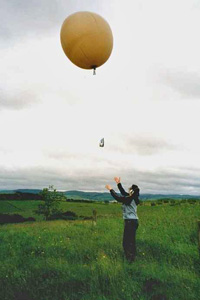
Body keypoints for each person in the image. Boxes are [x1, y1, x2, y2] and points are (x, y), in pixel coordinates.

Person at [105, 177, 140, 262]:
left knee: (126, 242)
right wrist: (118, 183)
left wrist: (110, 189)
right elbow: (123, 193)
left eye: (129, 190)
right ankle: (132, 258)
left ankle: (130, 260)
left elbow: (118, 198)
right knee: (131, 241)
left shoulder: (129, 199)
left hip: (130, 222)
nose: (128, 191)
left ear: (131, 192)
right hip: (133, 221)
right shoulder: (132, 198)